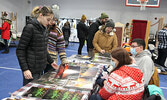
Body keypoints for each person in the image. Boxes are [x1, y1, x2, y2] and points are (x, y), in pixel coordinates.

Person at [16, 6, 58, 86]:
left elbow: (43, 49)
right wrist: (25, 69)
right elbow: (20, 50)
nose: (49, 22)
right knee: (29, 94)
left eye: (50, 20)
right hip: (31, 70)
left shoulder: (44, 29)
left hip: (40, 68)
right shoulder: (30, 28)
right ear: (41, 15)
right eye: (48, 19)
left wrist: (51, 61)